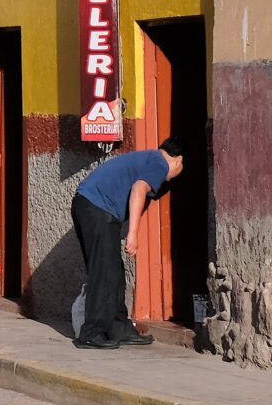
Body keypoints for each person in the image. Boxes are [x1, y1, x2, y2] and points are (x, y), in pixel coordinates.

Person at [70, 137, 186, 350]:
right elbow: (139, 190)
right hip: (95, 208)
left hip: (94, 207)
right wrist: (132, 233)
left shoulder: (149, 158)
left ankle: (119, 327)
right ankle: (91, 333)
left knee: (114, 272)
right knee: (103, 271)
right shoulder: (159, 163)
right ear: (178, 161)